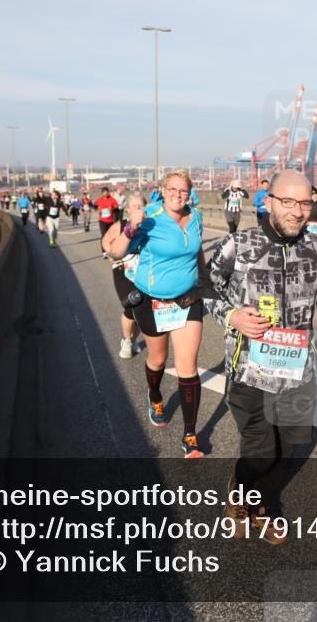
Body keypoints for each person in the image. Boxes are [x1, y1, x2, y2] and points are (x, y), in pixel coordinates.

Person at [202, 169, 317, 544]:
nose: (298, 211)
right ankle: (241, 495)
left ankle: (258, 504)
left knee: (291, 446)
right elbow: (206, 288)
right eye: (289, 202)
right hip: (248, 369)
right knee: (261, 452)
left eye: (306, 203)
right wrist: (231, 315)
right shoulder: (238, 245)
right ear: (269, 202)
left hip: (297, 372)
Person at [108, 170, 206, 458]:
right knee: (158, 358)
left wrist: (206, 279)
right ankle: (155, 396)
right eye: (172, 189)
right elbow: (115, 253)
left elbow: (197, 253)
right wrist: (130, 230)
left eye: (183, 191)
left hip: (187, 299)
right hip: (153, 302)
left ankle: (190, 437)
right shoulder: (148, 217)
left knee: (188, 366)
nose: (178, 195)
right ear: (162, 190)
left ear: (190, 194)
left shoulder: (195, 217)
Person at [102, 192, 147, 360]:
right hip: (123, 268)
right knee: (131, 301)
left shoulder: (150, 226)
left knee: (142, 308)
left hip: (143, 269)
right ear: (128, 210)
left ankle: (133, 339)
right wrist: (111, 254)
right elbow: (106, 240)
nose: (139, 210)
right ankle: (127, 341)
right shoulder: (120, 225)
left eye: (142, 206)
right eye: (135, 207)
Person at [95, 187, 118, 258]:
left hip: (110, 221)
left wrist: (112, 209)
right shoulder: (99, 200)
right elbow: (94, 206)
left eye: (106, 192)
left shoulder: (112, 200)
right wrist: (97, 210)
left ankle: (110, 250)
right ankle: (104, 252)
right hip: (102, 220)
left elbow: (117, 209)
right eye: (104, 192)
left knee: (111, 236)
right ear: (102, 193)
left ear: (108, 192)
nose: (105, 193)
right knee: (104, 236)